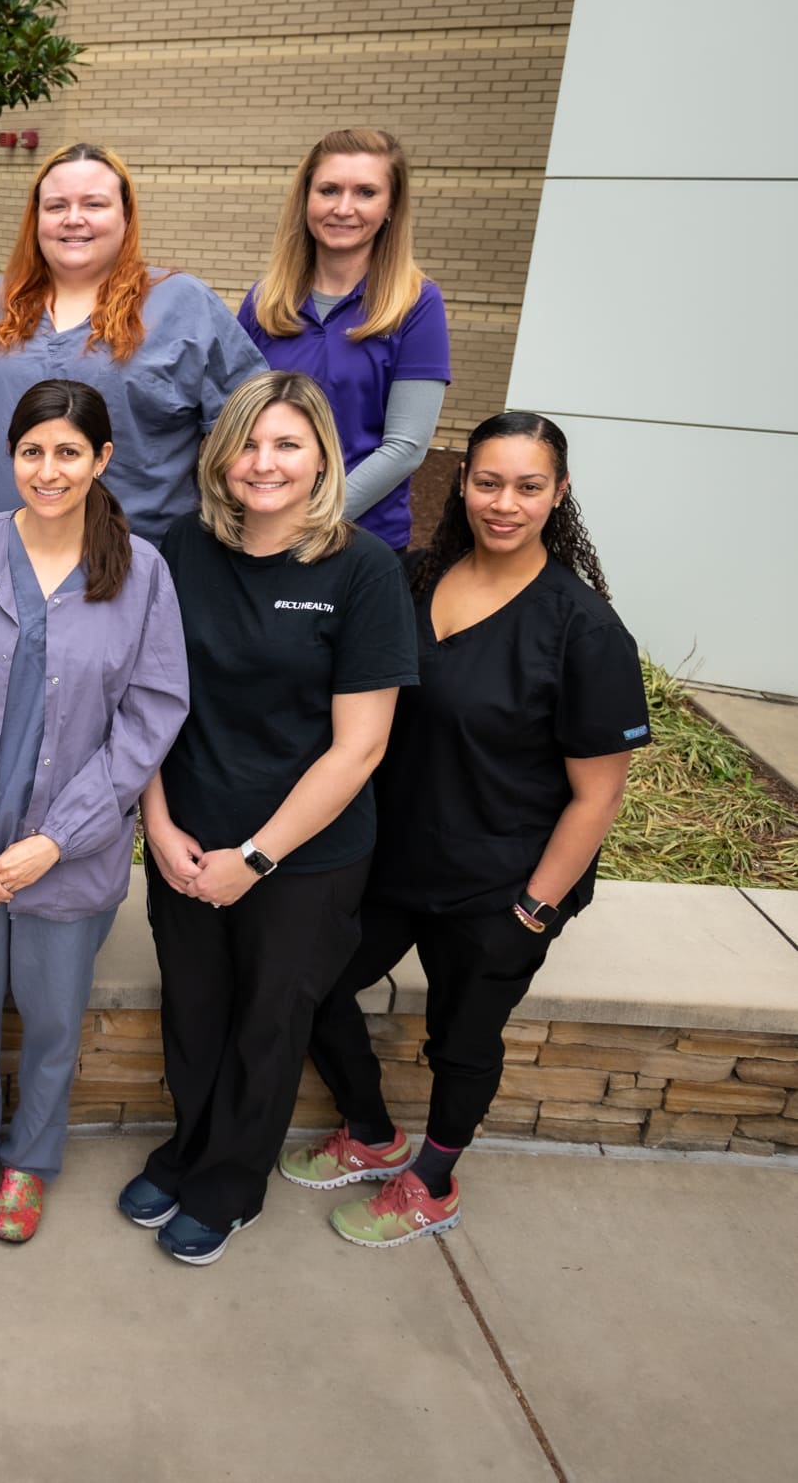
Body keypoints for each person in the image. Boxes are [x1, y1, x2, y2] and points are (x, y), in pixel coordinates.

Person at [282, 412, 648, 1246]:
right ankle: (372, 1130)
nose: (504, 503)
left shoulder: (583, 629)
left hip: (502, 879)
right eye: (488, 481)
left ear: (558, 494)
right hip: (390, 859)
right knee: (311, 985)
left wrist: (534, 909)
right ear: (461, 483)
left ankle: (433, 1180)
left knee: (464, 1037)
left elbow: (597, 796)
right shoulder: (411, 581)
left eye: (528, 486)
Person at [119, 370, 417, 1266]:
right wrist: (159, 826)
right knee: (195, 1011)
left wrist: (253, 857)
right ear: (222, 453)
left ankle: (229, 1183)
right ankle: (187, 1151)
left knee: (267, 1022)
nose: (264, 462)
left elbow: (358, 748)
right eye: (249, 442)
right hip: (187, 837)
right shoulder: (181, 551)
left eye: (287, 443)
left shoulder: (361, 571)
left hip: (305, 855)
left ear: (322, 454)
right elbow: (147, 704)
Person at [0, 379, 187, 1242]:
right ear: (9, 456)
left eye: (69, 452)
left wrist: (58, 838)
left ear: (102, 459)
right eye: (32, 451)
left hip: (74, 849)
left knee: (55, 1018)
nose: (48, 470)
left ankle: (30, 1159)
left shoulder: (142, 572)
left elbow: (150, 715)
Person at [0, 142, 265, 539]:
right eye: (56, 206)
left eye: (94, 205)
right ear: (36, 218)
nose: (73, 219)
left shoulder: (183, 304)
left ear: (126, 216)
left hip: (130, 563)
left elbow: (250, 431)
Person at [239, 129, 452, 550]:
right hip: (260, 534)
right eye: (329, 190)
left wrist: (309, 522)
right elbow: (235, 424)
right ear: (305, 200)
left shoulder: (417, 303)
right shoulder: (265, 302)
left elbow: (405, 446)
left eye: (366, 192)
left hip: (361, 540)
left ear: (391, 206)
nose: (343, 208)